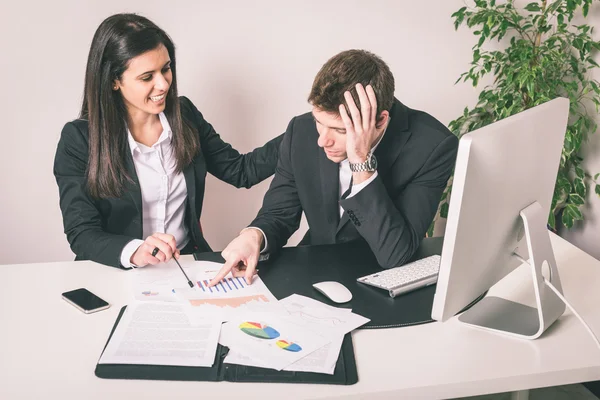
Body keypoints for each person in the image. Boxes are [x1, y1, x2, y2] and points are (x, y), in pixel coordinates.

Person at [210, 49, 459, 285]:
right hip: (316, 271)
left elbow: (395, 254)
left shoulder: (433, 146)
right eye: (319, 122)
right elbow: (279, 213)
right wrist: (254, 236)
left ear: (381, 120)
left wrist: (361, 160)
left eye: (340, 130)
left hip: (384, 281)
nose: (322, 140)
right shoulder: (301, 131)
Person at [53, 13, 282, 269]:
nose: (163, 84)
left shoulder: (185, 115)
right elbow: (81, 233)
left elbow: (241, 171)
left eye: (166, 68)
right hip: (115, 271)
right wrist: (135, 251)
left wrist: (305, 129)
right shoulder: (79, 139)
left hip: (184, 267)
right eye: (147, 77)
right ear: (114, 81)